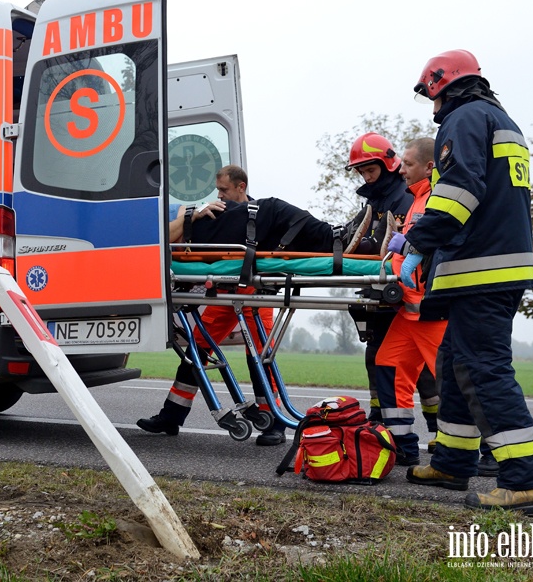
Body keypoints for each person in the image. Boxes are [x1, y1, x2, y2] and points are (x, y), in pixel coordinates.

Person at [391, 49, 533, 513]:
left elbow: (459, 192)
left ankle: (523, 480)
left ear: (444, 86)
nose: (432, 106)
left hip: (482, 267)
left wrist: (417, 239)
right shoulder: (501, 121)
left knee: (484, 370)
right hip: (490, 265)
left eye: (430, 95)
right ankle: (452, 462)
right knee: (455, 366)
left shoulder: (463, 120)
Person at [139, 166, 372, 445]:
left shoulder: (257, 215)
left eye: (224, 190)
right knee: (197, 349)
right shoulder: (215, 215)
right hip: (226, 292)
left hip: (253, 292)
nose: (220, 196)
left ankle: (271, 423)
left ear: (241, 187)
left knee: (260, 356)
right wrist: (195, 215)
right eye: (218, 191)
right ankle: (172, 415)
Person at [344, 132, 437, 432]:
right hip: (393, 293)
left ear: (388, 165)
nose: (367, 177)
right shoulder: (377, 199)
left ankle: (444, 432)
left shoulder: (409, 196)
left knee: (433, 373)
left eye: (370, 170)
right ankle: (388, 427)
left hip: (418, 299)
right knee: (381, 359)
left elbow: (418, 239)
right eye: (362, 172)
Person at [373, 137, 447, 466]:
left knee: (458, 382)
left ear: (429, 166)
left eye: (408, 164)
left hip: (433, 312)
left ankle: (485, 453)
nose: (401, 170)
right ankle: (403, 444)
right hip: (410, 311)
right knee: (388, 364)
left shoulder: (439, 198)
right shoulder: (416, 200)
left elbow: (432, 245)